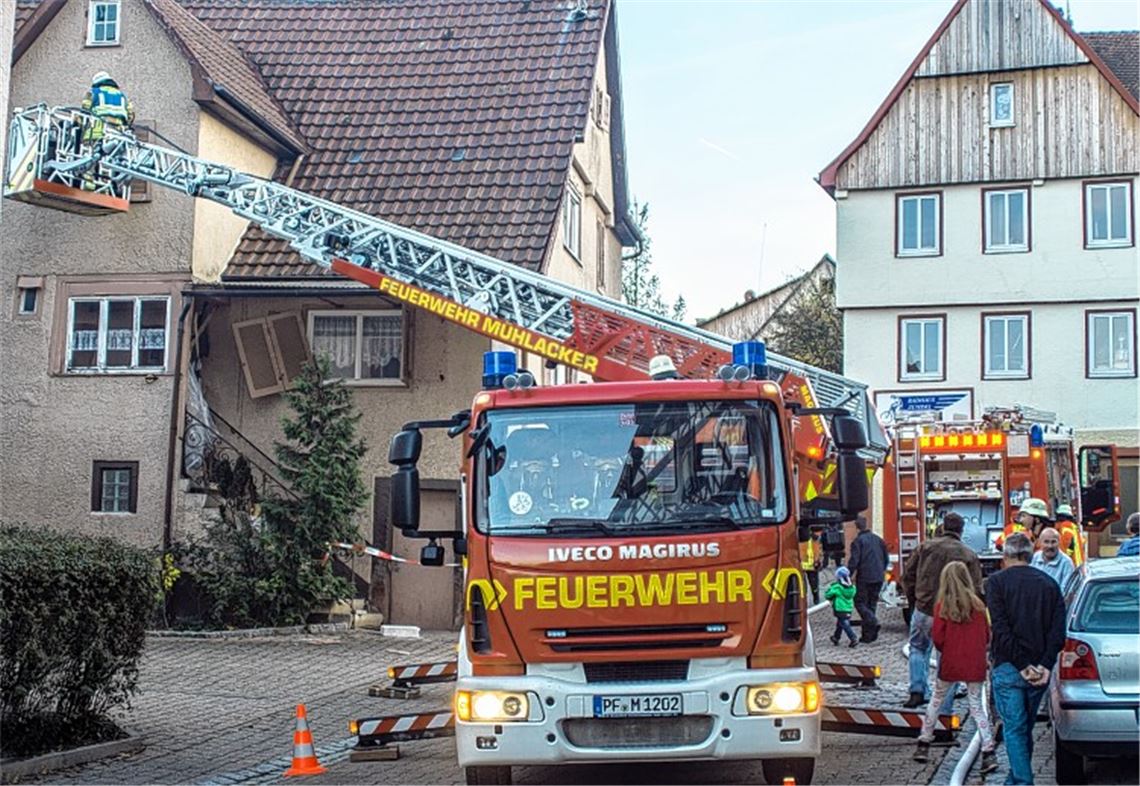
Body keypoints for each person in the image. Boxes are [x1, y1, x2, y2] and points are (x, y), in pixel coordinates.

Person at [986, 532, 1066, 786]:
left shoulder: (996, 583)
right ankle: (1015, 779)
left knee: (1014, 728)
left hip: (1009, 667)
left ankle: (1022, 781)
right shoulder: (1049, 584)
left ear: (1006, 556)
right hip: (1040, 669)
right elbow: (1057, 631)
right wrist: (1044, 663)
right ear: (1031, 555)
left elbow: (1000, 628)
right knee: (1024, 728)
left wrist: (1022, 665)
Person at [913, 562, 997, 774]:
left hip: (951, 661)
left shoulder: (943, 607)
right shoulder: (978, 606)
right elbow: (987, 636)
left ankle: (924, 741)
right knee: (977, 706)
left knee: (936, 700)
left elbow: (938, 638)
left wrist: (948, 650)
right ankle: (988, 750)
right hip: (974, 662)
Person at [899, 512, 983, 709]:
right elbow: (976, 589)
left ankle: (917, 690)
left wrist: (914, 601)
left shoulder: (925, 547)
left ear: (943, 526)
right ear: (961, 530)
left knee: (917, 648)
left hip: (924, 608)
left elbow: (907, 577)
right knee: (947, 657)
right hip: (952, 612)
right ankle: (944, 707)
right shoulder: (968, 554)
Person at [847, 515, 889, 643]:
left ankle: (872, 621)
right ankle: (868, 636)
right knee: (871, 605)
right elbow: (886, 559)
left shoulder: (858, 542)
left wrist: (847, 576)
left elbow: (854, 560)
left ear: (857, 527)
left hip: (865, 577)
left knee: (860, 603)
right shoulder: (879, 540)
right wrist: (882, 570)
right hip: (878, 576)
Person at [825, 566, 858, 648]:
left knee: (844, 623)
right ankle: (836, 637)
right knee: (840, 623)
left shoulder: (837, 587)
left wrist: (830, 590)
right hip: (848, 608)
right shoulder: (852, 588)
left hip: (840, 608)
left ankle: (853, 637)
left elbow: (828, 595)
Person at [800, 530, 821, 604]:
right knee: (809, 584)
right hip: (807, 566)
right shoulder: (813, 539)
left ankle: (815, 598)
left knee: (812, 584)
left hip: (809, 566)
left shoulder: (813, 539)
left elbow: (817, 550)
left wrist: (817, 561)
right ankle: (814, 598)